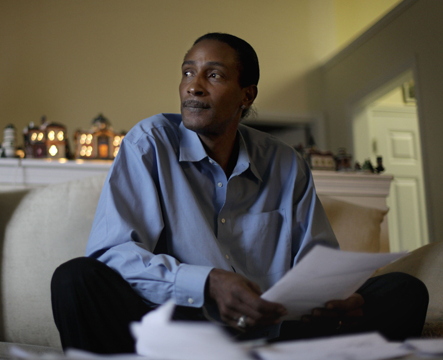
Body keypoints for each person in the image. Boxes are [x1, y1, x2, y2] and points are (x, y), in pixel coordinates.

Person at [51, 33, 428, 354]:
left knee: (404, 290)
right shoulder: (149, 143)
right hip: (180, 329)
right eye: (187, 72)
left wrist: (336, 299)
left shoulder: (286, 163)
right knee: (75, 279)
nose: (193, 85)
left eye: (213, 75)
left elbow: (317, 260)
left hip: (274, 331)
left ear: (247, 95)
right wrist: (207, 282)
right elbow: (112, 255)